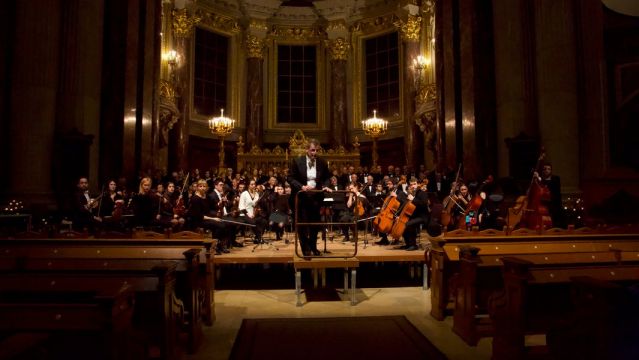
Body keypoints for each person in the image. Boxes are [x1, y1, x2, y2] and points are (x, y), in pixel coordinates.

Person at [287, 138, 332, 257]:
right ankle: (305, 248)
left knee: (315, 223)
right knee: (302, 224)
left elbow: (327, 177)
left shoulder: (322, 162)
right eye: (312, 150)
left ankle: (313, 246)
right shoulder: (297, 161)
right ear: (307, 149)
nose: (314, 153)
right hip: (301, 196)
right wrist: (301, 186)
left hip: (316, 197)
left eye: (317, 150)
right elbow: (290, 178)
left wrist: (326, 186)